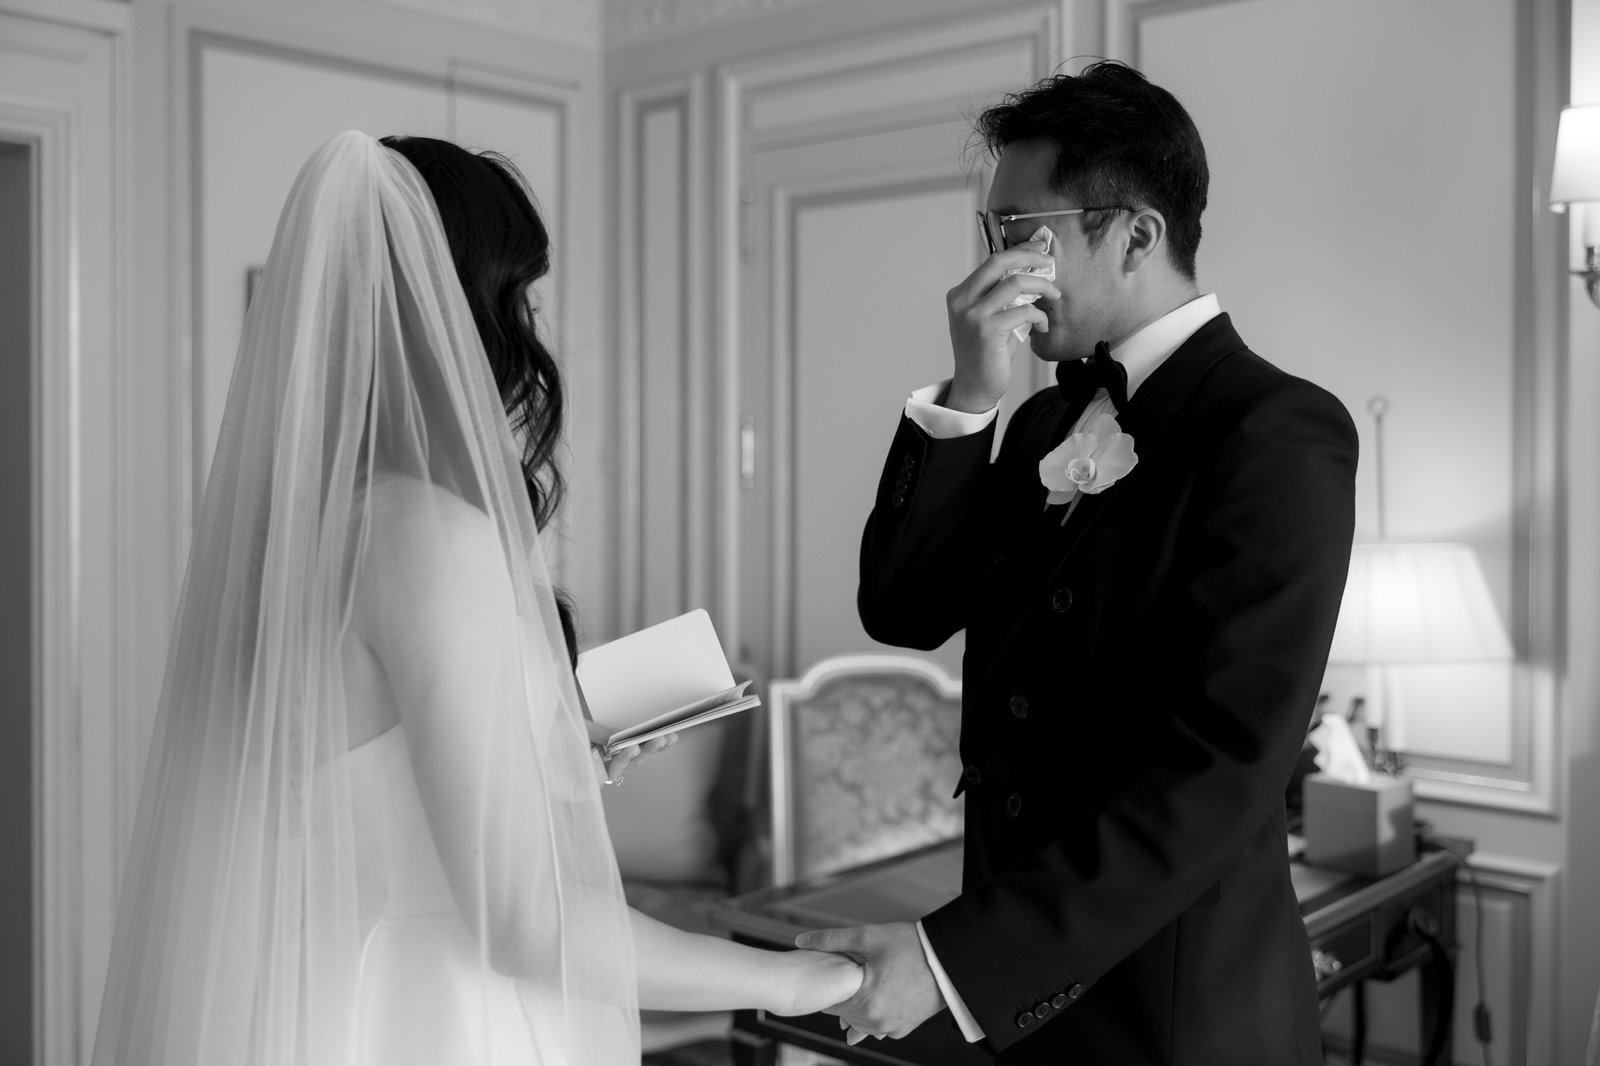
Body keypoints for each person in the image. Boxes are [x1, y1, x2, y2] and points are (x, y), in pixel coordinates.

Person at [90, 130, 861, 1066]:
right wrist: (799, 979)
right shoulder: (428, 537)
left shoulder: (304, 529)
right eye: (520, 298)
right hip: (442, 1014)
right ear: (456, 314)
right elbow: (524, 920)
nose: (532, 330)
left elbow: (351, 785)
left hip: (330, 989)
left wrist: (557, 747)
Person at [798, 62, 1357, 1064]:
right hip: (1019, 1004)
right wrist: (970, 398)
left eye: (1022, 233)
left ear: (1134, 233)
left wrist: (951, 963)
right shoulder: (1047, 415)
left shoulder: (1276, 431)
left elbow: (1220, 773)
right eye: (991, 234)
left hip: (1175, 1014)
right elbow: (903, 605)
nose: (994, 266)